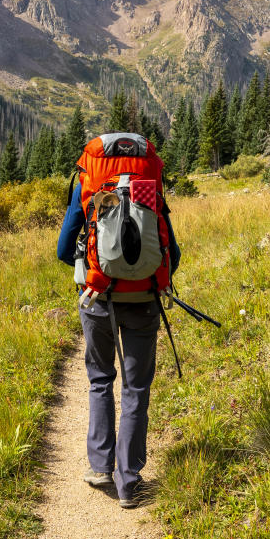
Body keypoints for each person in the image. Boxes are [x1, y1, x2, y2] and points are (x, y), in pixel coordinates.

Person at [56, 132, 180, 509]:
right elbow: (171, 252)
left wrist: (94, 267)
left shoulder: (89, 184)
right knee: (136, 387)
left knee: (99, 379)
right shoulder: (148, 188)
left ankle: (100, 467)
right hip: (143, 300)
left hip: (97, 300)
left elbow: (63, 250)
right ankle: (130, 483)